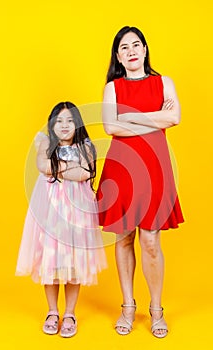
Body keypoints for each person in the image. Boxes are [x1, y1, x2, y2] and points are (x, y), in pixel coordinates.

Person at [96, 26, 184, 338]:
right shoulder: (113, 86)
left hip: (154, 168)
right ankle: (127, 306)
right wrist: (153, 117)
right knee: (124, 238)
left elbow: (174, 118)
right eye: (124, 47)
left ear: (145, 49)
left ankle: (156, 309)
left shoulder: (164, 82)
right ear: (118, 56)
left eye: (136, 45)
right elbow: (109, 126)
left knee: (150, 240)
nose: (131, 51)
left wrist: (129, 118)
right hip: (123, 169)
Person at [16, 101, 107, 337]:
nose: (65, 125)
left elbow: (85, 173)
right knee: (51, 259)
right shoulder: (45, 141)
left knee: (73, 261)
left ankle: (69, 313)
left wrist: (57, 167)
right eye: (59, 121)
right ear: (52, 124)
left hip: (76, 213)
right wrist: (70, 168)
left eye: (70, 120)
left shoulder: (85, 145)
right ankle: (52, 311)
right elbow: (41, 165)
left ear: (77, 124)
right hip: (50, 212)